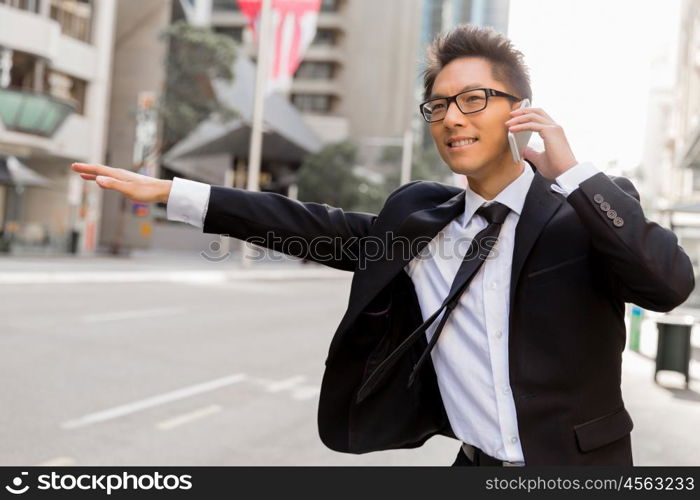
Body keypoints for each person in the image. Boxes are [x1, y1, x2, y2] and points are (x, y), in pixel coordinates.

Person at [71, 24, 695, 466]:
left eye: (474, 99)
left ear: (520, 111)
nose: (453, 117)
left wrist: (575, 174)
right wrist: (175, 195)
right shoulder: (419, 220)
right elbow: (306, 223)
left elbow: (667, 285)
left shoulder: (586, 206)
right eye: (439, 105)